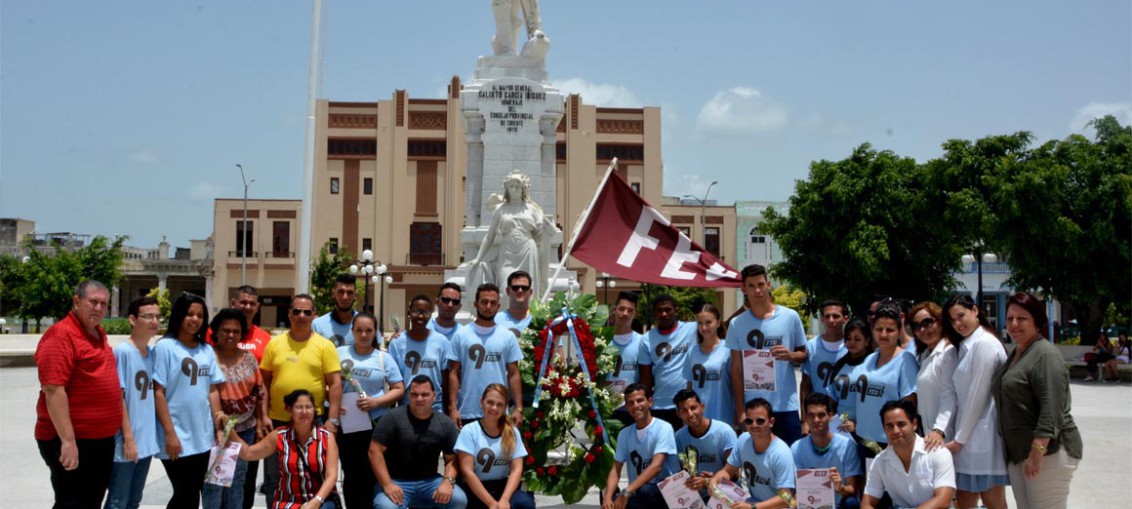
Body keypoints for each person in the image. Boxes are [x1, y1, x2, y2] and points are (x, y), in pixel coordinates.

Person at [993, 292, 1082, 509]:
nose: (1014, 324)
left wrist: (1037, 452)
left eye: (1022, 319)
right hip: (1020, 453)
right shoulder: (1017, 354)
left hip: (1048, 453)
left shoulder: (1045, 355)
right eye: (1010, 318)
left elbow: (1051, 408)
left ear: (1037, 321)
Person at [260, 294, 343, 507]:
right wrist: (262, 416)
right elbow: (263, 384)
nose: (301, 316)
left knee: (313, 475)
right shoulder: (274, 344)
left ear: (314, 315)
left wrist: (332, 421)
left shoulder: (325, 346)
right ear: (289, 314)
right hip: (277, 422)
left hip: (311, 422)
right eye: (296, 311)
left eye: (307, 312)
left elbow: (335, 384)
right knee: (274, 476)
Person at [153, 292, 226, 509]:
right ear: (179, 316)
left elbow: (212, 390)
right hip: (176, 435)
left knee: (194, 493)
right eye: (189, 314)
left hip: (202, 435)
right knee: (184, 491)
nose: (195, 319)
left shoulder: (206, 350)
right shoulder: (165, 347)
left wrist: (218, 426)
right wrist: (170, 433)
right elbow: (158, 393)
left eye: (200, 315)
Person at [726, 264, 808, 444]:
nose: (757, 290)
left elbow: (804, 354)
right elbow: (736, 369)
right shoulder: (737, 324)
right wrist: (740, 410)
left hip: (785, 406)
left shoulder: (790, 317)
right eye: (751, 286)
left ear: (768, 285)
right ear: (743, 289)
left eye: (761, 284)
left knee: (790, 461)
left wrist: (790, 355)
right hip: (754, 408)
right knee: (758, 464)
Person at [941, 294, 1008, 509]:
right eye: (952, 320)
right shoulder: (967, 346)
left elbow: (978, 396)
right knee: (964, 500)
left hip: (982, 437)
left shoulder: (985, 344)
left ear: (975, 310)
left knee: (993, 501)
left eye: (961, 316)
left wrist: (959, 439)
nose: (958, 324)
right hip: (968, 438)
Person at [337, 312, 404, 509]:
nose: (364, 335)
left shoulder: (384, 358)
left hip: (377, 425)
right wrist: (333, 404)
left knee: (373, 475)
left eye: (369, 330)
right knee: (351, 475)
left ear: (376, 332)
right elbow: (328, 384)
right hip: (348, 425)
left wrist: (377, 402)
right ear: (352, 331)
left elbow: (399, 389)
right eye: (359, 330)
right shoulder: (339, 353)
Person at [228, 389, 340, 509]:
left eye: (308, 407)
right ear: (289, 410)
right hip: (287, 502)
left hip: (320, 500)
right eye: (299, 407)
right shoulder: (279, 436)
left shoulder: (326, 437)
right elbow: (248, 453)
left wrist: (316, 502)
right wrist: (228, 429)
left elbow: (332, 475)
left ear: (314, 410)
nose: (304, 411)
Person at [202, 309, 269, 509]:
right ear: (216, 331)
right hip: (216, 430)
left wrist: (259, 422)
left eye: (235, 331)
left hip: (245, 430)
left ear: (241, 334)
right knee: (214, 482)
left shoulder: (249, 359)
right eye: (225, 330)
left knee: (237, 481)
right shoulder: (207, 357)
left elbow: (259, 392)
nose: (230, 335)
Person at [370, 375, 468, 509]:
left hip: (430, 481)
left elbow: (452, 459)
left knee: (458, 499)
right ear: (408, 396)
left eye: (424, 395)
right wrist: (387, 484)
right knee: (386, 506)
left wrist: (448, 481)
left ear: (434, 396)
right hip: (396, 481)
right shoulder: (392, 418)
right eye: (414, 394)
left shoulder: (444, 423)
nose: (419, 399)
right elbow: (374, 452)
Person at [835, 303, 918, 455]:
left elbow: (909, 405)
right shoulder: (870, 359)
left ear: (899, 331)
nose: (884, 334)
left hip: (889, 443)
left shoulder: (906, 360)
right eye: (879, 329)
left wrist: (896, 439)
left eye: (890, 330)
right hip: (863, 439)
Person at [106, 296, 162, 509]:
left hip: (146, 441)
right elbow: (118, 397)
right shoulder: (123, 352)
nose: (154, 322)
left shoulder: (152, 354)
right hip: (126, 442)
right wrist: (128, 438)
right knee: (117, 501)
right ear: (132, 319)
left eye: (157, 317)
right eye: (148, 316)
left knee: (134, 500)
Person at [469, 170, 555, 300]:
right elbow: (489, 236)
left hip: (527, 252)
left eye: (518, 186)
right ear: (507, 189)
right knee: (505, 292)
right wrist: (478, 258)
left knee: (528, 292)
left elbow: (542, 233)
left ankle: (529, 319)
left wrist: (550, 230)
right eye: (511, 186)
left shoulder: (532, 209)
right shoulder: (500, 209)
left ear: (523, 189)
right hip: (507, 254)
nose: (514, 190)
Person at [448, 283, 524, 427]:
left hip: (499, 410)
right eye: (484, 302)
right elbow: (454, 373)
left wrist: (519, 408)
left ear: (498, 306)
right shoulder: (461, 335)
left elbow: (514, 373)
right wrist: (453, 407)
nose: (488, 307)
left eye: (493, 303)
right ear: (476, 304)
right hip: (467, 411)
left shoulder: (507, 337)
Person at [862, 400, 955, 509]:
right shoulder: (880, 462)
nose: (895, 431)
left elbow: (943, 500)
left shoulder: (938, 453)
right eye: (889, 426)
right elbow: (867, 504)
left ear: (914, 424)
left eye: (901, 424)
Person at [455, 384, 535, 509]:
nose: (494, 407)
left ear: (505, 407)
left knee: (525, 503)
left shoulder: (513, 432)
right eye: (490, 402)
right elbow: (467, 471)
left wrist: (504, 499)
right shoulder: (469, 431)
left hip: (503, 487)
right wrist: (491, 503)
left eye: (499, 404)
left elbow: (516, 470)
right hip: (475, 488)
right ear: (482, 402)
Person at [603, 383, 680, 509]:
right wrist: (607, 497)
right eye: (631, 403)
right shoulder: (624, 434)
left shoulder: (664, 428)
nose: (636, 406)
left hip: (668, 493)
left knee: (645, 490)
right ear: (626, 406)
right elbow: (616, 469)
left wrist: (627, 491)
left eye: (640, 401)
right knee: (613, 501)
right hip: (639, 493)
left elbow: (656, 466)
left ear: (650, 402)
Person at [710, 398, 796, 509]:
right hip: (752, 503)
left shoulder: (781, 453)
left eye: (760, 421)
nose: (754, 425)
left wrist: (753, 507)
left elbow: (786, 498)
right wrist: (714, 481)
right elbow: (728, 471)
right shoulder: (743, 440)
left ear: (771, 422)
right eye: (749, 421)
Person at [791, 393, 862, 509]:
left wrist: (840, 487)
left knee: (851, 503)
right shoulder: (796, 448)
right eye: (811, 415)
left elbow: (852, 489)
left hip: (838, 505)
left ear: (830, 416)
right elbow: (789, 490)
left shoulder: (848, 446)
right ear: (806, 417)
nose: (816, 420)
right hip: (809, 505)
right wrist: (794, 502)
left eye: (821, 415)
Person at [638, 294, 696, 430]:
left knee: (687, 450)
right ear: (654, 313)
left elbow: (719, 324)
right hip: (660, 406)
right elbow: (645, 381)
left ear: (676, 310)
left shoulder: (691, 329)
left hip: (687, 406)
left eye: (668, 309)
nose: (664, 314)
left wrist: (746, 306)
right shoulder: (646, 339)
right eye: (659, 310)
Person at [391, 295, 452, 411]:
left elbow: (445, 381)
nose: (420, 316)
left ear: (431, 314)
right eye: (415, 311)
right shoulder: (397, 343)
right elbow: (393, 383)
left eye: (425, 312)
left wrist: (448, 409)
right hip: (406, 407)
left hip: (435, 407)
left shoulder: (442, 342)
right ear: (409, 312)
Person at [909, 301, 956, 451]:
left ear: (941, 322)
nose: (922, 329)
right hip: (929, 437)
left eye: (928, 322)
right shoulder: (923, 356)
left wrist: (939, 430)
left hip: (945, 435)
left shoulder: (949, 353)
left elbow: (950, 395)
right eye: (916, 326)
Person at [673, 389, 737, 496]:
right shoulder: (679, 437)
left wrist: (711, 479)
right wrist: (694, 480)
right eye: (684, 410)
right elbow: (685, 470)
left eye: (693, 408)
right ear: (678, 414)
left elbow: (735, 473)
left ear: (702, 407)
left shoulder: (725, 432)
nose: (690, 414)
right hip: (695, 493)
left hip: (723, 490)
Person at [683, 303, 734, 423]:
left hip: (724, 417)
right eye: (700, 323)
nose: (704, 327)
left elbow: (737, 384)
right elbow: (689, 387)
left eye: (708, 322)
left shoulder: (729, 350)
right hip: (698, 420)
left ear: (718, 323)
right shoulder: (692, 352)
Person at [800, 300, 849, 414]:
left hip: (846, 414)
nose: (831, 320)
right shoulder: (812, 346)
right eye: (827, 316)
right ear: (822, 319)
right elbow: (806, 384)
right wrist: (804, 419)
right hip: (818, 415)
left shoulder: (852, 345)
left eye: (836, 316)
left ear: (845, 319)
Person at [207, 285, 273, 363]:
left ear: (257, 307)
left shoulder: (265, 338)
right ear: (233, 303)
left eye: (252, 304)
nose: (248, 307)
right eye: (243, 302)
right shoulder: (213, 333)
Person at [826, 319, 874, 407]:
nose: (852, 342)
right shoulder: (839, 366)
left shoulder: (875, 364)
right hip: (842, 419)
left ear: (867, 340)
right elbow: (831, 400)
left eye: (857, 339)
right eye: (848, 338)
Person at [313, 274, 358, 347]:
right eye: (341, 292)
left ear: (355, 296)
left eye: (350, 293)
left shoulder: (366, 325)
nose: (345, 297)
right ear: (333, 293)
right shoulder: (317, 326)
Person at [495, 270, 534, 336]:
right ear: (507, 291)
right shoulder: (495, 320)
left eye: (525, 288)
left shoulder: (539, 320)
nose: (520, 290)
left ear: (530, 292)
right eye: (515, 287)